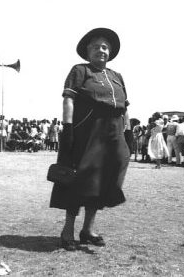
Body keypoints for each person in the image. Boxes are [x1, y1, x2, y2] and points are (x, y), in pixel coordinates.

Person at [49, 28, 130, 251]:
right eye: (96, 47)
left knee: (102, 182)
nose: (100, 50)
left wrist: (128, 132)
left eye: (105, 47)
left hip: (113, 135)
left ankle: (88, 229)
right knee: (78, 180)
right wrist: (67, 129)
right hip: (87, 133)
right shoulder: (80, 70)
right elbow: (69, 100)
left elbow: (125, 108)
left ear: (110, 52)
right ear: (87, 51)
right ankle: (68, 230)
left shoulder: (117, 77)